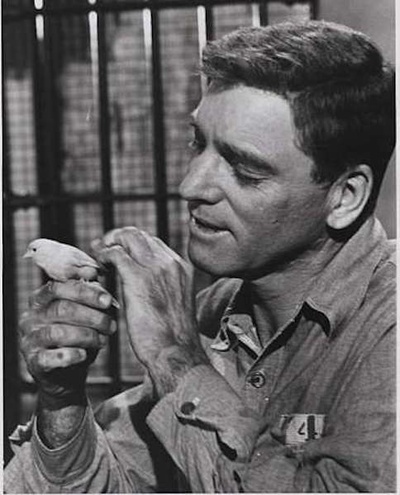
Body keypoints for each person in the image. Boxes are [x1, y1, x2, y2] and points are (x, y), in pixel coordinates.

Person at [4, 20, 395, 493]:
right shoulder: (218, 310)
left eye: (245, 169)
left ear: (345, 196)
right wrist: (62, 399)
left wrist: (175, 356)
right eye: (197, 142)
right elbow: (119, 481)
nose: (191, 186)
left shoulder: (388, 330)